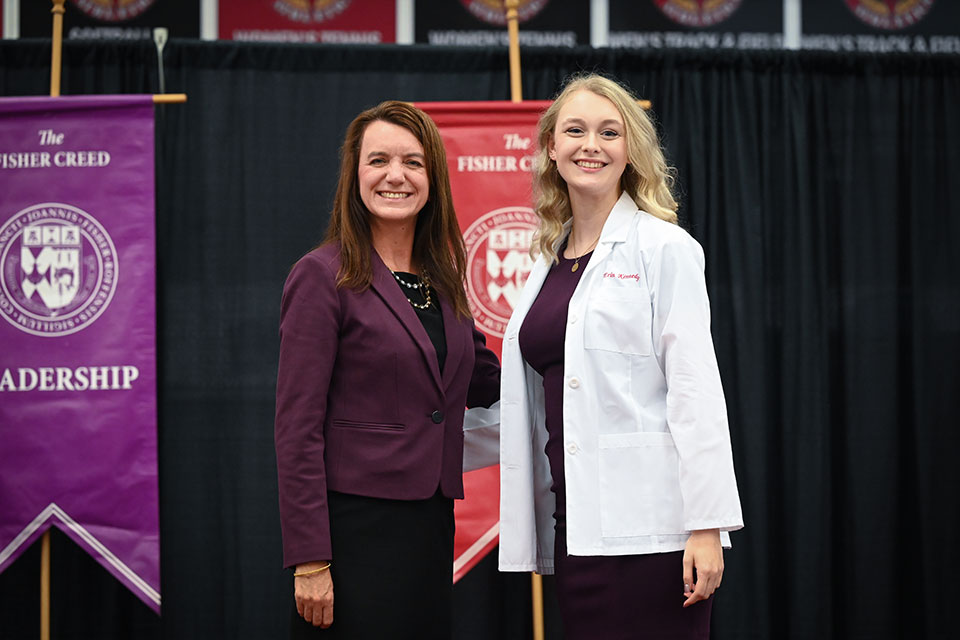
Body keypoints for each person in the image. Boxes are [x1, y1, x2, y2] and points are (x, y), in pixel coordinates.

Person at [498, 74, 744, 639]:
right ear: (550, 149)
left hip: (655, 537)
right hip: (577, 528)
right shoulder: (548, 262)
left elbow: (696, 391)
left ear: (629, 149)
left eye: (609, 132)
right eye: (575, 130)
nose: (592, 145)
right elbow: (536, 396)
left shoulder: (665, 248)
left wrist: (706, 528)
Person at [275, 100, 500, 639]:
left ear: (433, 178)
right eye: (378, 160)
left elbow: (485, 379)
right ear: (356, 175)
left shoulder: (441, 277)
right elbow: (296, 429)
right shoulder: (321, 276)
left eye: (413, 162)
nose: (395, 176)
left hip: (428, 525)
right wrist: (310, 560)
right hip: (351, 533)